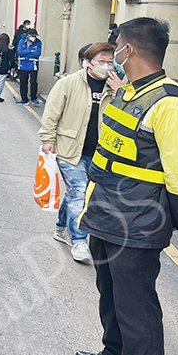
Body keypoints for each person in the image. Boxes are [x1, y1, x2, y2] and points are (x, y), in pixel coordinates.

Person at [75, 18, 178, 355]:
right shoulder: (130, 93)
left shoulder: (172, 105)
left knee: (138, 310)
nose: (113, 53)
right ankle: (114, 354)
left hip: (137, 226)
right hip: (106, 216)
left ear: (130, 49)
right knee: (109, 293)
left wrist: (160, 219)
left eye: (117, 46)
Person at [38, 42, 117, 265]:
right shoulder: (69, 83)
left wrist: (121, 91)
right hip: (69, 150)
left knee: (76, 192)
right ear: (88, 62)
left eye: (110, 61)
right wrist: (47, 139)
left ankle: (61, 228)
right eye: (102, 61)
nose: (107, 66)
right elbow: (52, 112)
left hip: (100, 153)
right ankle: (79, 239)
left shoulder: (116, 87)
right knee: (80, 191)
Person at [16, 28, 41, 105]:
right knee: (23, 82)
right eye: (32, 35)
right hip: (23, 64)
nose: (33, 37)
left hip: (33, 65)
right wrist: (30, 51)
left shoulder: (38, 42)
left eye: (35, 36)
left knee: (33, 82)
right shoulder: (22, 41)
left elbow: (37, 53)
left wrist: (26, 54)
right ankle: (24, 98)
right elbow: (19, 52)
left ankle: (33, 98)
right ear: (28, 35)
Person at [0, 33, 15, 103]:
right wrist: (12, 50)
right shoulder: (6, 50)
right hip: (3, 68)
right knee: (0, 82)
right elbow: (10, 58)